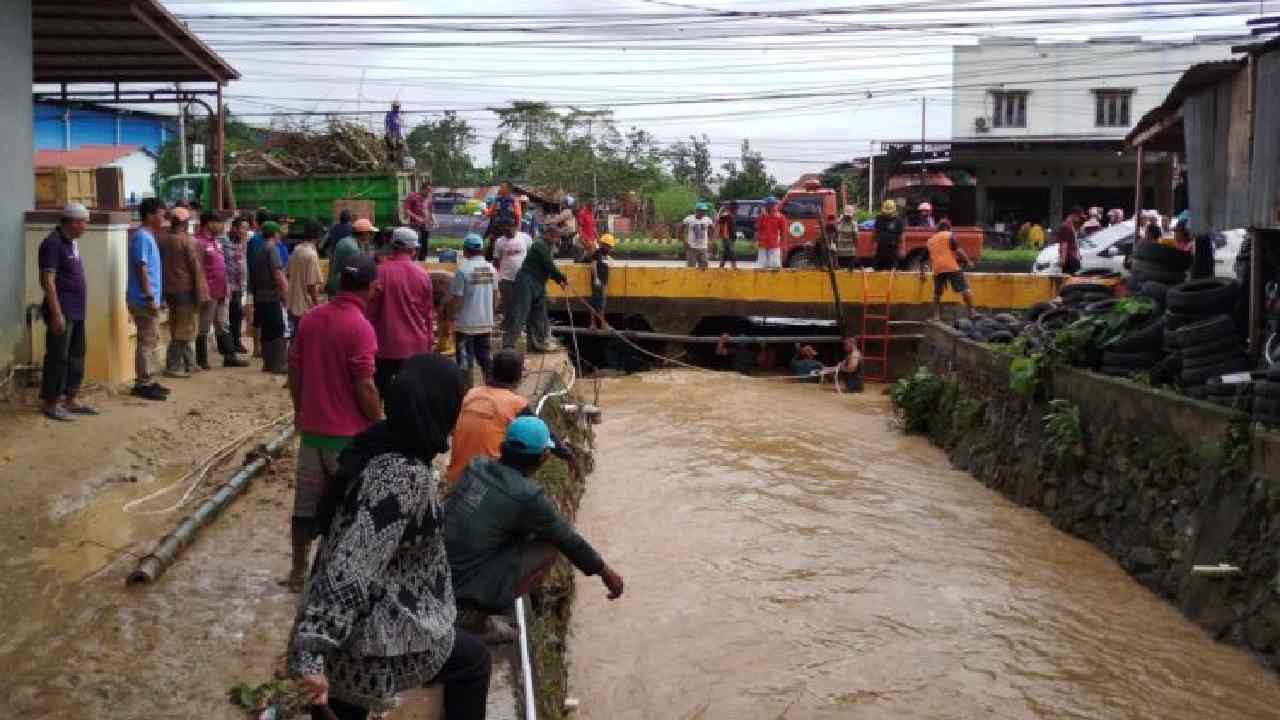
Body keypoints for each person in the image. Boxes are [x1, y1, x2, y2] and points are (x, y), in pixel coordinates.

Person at [287, 354, 490, 720]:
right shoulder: (402, 478)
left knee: (339, 708)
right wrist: (311, 652)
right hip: (367, 641)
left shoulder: (379, 444)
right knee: (474, 663)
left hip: (351, 631)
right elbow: (350, 566)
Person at [445, 415, 624, 641]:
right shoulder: (527, 496)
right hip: (460, 588)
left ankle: (474, 611)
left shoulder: (477, 465)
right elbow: (567, 539)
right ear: (544, 457)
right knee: (548, 546)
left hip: (439, 573)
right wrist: (605, 572)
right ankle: (475, 619)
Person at [283, 253, 383, 593]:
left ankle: (298, 571)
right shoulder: (361, 328)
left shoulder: (311, 319)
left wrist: (300, 410)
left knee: (305, 508)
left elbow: (294, 368)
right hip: (348, 441)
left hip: (313, 435)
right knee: (349, 511)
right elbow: (364, 384)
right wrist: (378, 420)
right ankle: (336, 575)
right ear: (371, 287)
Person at [37, 203, 93, 421]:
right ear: (72, 222)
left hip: (77, 310)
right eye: (84, 222)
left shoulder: (72, 243)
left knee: (76, 355)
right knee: (58, 356)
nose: (86, 227)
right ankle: (51, 402)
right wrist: (57, 313)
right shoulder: (52, 243)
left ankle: (70, 398)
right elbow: (47, 281)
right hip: (62, 310)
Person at [367, 227, 435, 397]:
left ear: (393, 246)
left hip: (385, 345)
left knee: (381, 389)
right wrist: (428, 341)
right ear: (413, 249)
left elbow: (371, 311)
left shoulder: (380, 272)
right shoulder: (422, 275)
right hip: (415, 346)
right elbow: (427, 313)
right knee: (412, 394)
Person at [159, 207, 209, 378]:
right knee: (183, 330)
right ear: (185, 222)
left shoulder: (163, 240)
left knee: (183, 328)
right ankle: (172, 366)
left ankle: (190, 363)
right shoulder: (187, 242)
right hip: (185, 290)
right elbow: (196, 269)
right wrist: (202, 294)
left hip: (170, 290)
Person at [195, 211, 248, 369]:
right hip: (209, 291)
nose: (222, 226)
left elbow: (222, 266)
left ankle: (229, 356)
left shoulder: (215, 241)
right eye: (219, 223)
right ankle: (201, 359)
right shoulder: (199, 242)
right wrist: (202, 289)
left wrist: (227, 287)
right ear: (209, 223)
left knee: (223, 323)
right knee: (204, 325)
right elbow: (198, 269)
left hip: (222, 289)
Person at [127, 199, 169, 401]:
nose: (164, 218)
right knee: (146, 341)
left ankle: (148, 379)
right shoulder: (142, 237)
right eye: (162, 214)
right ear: (151, 215)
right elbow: (141, 268)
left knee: (151, 339)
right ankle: (143, 383)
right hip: (143, 299)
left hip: (148, 298)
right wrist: (150, 296)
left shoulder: (147, 236)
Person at [502, 227, 567, 352]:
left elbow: (548, 268)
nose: (557, 240)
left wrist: (559, 279)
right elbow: (549, 265)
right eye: (555, 237)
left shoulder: (548, 248)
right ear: (547, 235)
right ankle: (508, 345)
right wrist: (561, 278)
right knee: (520, 313)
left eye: (558, 237)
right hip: (526, 281)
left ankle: (537, 344)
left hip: (539, 283)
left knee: (539, 315)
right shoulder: (539, 245)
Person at [450, 234, 498, 381]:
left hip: (465, 325)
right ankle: (492, 387)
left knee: (465, 362)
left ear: (465, 250)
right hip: (485, 323)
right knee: (485, 359)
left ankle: (466, 394)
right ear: (482, 250)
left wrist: (451, 315)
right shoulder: (491, 269)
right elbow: (497, 295)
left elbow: (457, 298)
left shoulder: (463, 271)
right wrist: (491, 314)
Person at [251, 221, 290, 374]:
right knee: (277, 328)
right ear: (275, 234)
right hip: (271, 295)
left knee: (267, 329)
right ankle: (278, 364)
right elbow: (278, 274)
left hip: (261, 295)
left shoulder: (261, 249)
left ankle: (268, 363)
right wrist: (285, 294)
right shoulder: (272, 249)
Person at [925, 219, 975, 322]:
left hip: (937, 269)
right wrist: (968, 261)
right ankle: (972, 311)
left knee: (937, 294)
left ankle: (936, 316)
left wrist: (922, 271)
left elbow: (925, 257)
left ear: (938, 228)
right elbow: (958, 250)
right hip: (951, 266)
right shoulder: (949, 235)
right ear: (948, 227)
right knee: (964, 289)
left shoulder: (931, 240)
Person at [287, 221, 325, 329]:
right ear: (318, 236)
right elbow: (311, 285)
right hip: (305, 308)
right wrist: (317, 305)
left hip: (293, 304)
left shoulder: (296, 250)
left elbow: (288, 274)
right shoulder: (311, 255)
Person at [327, 218, 377, 296]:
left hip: (337, 282)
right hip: (341, 286)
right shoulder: (353, 248)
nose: (371, 236)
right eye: (370, 233)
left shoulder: (347, 241)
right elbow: (362, 269)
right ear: (364, 233)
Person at [224, 215, 251, 355]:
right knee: (229, 316)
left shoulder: (242, 242)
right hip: (228, 286)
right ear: (234, 228)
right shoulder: (224, 242)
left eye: (246, 229)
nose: (244, 231)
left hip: (240, 286)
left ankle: (236, 342)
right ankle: (230, 346)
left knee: (238, 315)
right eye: (242, 228)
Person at [492, 223, 530, 321]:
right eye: (505, 230)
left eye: (509, 229)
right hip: (505, 278)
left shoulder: (525, 238)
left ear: (515, 227)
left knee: (520, 301)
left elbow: (531, 254)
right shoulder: (499, 241)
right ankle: (508, 323)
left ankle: (520, 323)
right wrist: (497, 277)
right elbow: (496, 260)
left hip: (523, 277)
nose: (507, 232)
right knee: (507, 302)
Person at [588, 233, 615, 330]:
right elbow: (593, 266)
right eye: (609, 246)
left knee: (602, 303)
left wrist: (610, 260)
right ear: (604, 245)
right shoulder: (597, 253)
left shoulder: (605, 255)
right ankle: (594, 324)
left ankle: (601, 324)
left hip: (604, 281)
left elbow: (607, 263)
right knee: (596, 303)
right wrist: (596, 278)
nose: (610, 248)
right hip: (598, 282)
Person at [681, 202, 714, 270]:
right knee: (691, 268)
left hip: (703, 247)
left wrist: (711, 241)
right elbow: (680, 230)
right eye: (702, 211)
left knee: (704, 267)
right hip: (692, 247)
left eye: (705, 211)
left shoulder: (707, 219)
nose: (703, 212)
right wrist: (684, 241)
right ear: (697, 210)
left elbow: (713, 230)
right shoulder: (689, 219)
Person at [404, 184, 433, 261]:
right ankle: (412, 260)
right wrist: (416, 217)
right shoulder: (413, 196)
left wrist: (433, 220)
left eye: (430, 191)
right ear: (422, 189)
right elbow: (407, 210)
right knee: (415, 243)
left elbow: (429, 211)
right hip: (415, 225)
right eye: (428, 190)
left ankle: (422, 260)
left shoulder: (428, 199)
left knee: (424, 244)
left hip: (425, 225)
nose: (429, 193)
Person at [755, 196, 785, 269]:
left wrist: (783, 245)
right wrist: (755, 240)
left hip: (774, 245)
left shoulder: (780, 217)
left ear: (775, 205)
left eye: (771, 205)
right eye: (767, 205)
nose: (768, 207)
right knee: (762, 266)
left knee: (775, 266)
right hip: (763, 244)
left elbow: (783, 232)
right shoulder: (762, 216)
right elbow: (758, 229)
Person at [873, 200, 903, 271]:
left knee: (892, 272)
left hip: (893, 251)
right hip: (880, 250)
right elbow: (875, 233)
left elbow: (901, 235)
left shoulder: (898, 220)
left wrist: (902, 249)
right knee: (877, 271)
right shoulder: (879, 219)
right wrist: (873, 248)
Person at [1057, 206, 1084, 275]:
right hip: (1069, 260)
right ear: (1074, 215)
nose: (1080, 219)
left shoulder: (1070, 225)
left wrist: (1078, 254)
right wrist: (1063, 259)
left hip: (1073, 259)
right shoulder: (1065, 226)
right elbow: (1064, 244)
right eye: (1079, 217)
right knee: (1069, 281)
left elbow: (1074, 242)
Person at [835, 206, 859, 270]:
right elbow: (856, 237)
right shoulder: (854, 224)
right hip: (850, 253)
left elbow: (835, 235)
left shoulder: (839, 223)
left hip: (840, 252)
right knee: (850, 273)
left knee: (841, 272)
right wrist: (856, 248)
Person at [717, 202, 738, 270]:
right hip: (727, 238)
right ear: (733, 208)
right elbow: (722, 226)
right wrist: (726, 237)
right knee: (731, 252)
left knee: (725, 254)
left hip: (731, 238)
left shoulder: (731, 215)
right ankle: (734, 267)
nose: (737, 210)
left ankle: (721, 267)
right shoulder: (726, 215)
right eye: (736, 208)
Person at [384, 100, 405, 166]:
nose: (396, 108)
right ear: (392, 107)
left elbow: (401, 125)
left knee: (400, 145)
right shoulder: (389, 114)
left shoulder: (399, 115)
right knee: (391, 146)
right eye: (395, 107)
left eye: (397, 107)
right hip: (391, 132)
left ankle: (399, 162)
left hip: (397, 134)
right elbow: (387, 125)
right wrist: (389, 134)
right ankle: (391, 160)